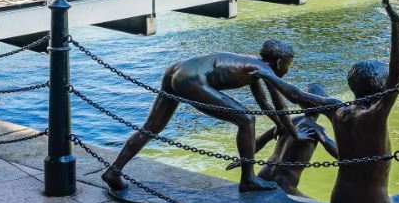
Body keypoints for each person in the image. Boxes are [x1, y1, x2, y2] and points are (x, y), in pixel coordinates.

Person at [254, 0, 399, 203]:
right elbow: (398, 73)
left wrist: (270, 76)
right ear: (381, 90)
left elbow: (296, 95)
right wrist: (395, 22)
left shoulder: (338, 110)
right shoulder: (375, 116)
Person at [100, 40, 302, 193]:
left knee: (151, 127)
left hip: (176, 70)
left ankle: (114, 170)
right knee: (247, 120)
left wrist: (279, 125)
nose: (288, 69)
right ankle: (248, 179)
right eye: (289, 65)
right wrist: (295, 135)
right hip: (192, 78)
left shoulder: (252, 64)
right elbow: (280, 105)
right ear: (278, 62)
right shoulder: (265, 69)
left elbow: (264, 104)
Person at [226, 82, 338, 197]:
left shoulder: (288, 121)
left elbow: (260, 140)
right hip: (284, 184)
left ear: (300, 102)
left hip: (263, 176)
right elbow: (336, 151)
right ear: (324, 105)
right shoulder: (317, 129)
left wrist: (243, 160)